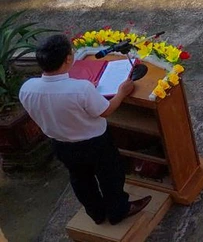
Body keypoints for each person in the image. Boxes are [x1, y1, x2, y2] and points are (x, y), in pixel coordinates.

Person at [19, 34, 152, 226]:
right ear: (67, 59)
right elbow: (106, 110)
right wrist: (122, 92)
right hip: (95, 143)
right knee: (110, 175)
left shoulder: (27, 88)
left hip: (60, 144)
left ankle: (96, 214)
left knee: (80, 179)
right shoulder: (80, 89)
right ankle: (118, 211)